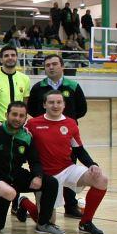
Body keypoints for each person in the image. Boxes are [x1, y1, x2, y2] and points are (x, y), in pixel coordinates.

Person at [27, 91, 108, 234]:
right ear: (44, 104)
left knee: (101, 179)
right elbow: (16, 134)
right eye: (51, 102)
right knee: (46, 220)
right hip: (46, 177)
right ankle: (24, 203)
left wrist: (92, 164)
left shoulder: (70, 123)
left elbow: (79, 150)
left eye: (59, 102)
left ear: (64, 105)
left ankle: (86, 222)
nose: (55, 105)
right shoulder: (33, 124)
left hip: (67, 169)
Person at [0, 101, 63, 234]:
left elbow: (35, 161)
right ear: (6, 115)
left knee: (50, 182)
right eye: (14, 114)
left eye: (21, 116)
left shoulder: (26, 137)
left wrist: (38, 176)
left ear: (25, 118)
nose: (17, 118)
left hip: (16, 177)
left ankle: (43, 224)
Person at [27, 54, 89, 217]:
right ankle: (39, 206)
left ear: (62, 66)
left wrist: (66, 122)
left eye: (54, 64)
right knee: (43, 174)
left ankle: (70, 206)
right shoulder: (38, 88)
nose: (51, 67)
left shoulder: (73, 86)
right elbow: (32, 110)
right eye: (47, 65)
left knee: (68, 170)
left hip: (66, 138)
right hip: (44, 139)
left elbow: (82, 109)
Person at [0, 45, 30, 123]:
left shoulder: (25, 78)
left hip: (18, 124)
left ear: (17, 58)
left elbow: (25, 103)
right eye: (6, 56)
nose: (10, 58)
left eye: (13, 55)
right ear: (1, 60)